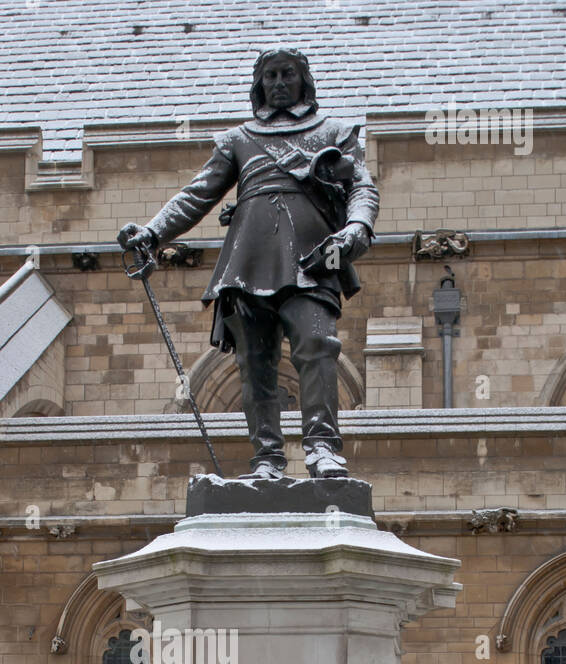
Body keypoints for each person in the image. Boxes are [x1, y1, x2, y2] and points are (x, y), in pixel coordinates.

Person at [118, 48, 379, 480]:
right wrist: (152, 232)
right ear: (260, 84)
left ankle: (322, 448)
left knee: (317, 346)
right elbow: (197, 195)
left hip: (311, 261)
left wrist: (356, 229)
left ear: (303, 81)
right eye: (271, 75)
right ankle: (267, 460)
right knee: (255, 363)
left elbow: (362, 188)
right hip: (247, 263)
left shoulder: (334, 132)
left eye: (288, 74)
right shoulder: (236, 140)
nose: (279, 83)